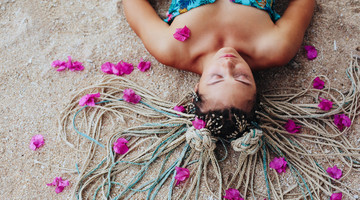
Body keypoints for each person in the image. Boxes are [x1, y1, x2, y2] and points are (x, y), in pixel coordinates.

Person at [123, 0, 315, 139]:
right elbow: (303, 4)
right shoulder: (275, 47)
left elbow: (134, 5)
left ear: (197, 89)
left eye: (216, 77)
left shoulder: (171, 48)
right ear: (256, 88)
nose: (227, 64)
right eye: (241, 77)